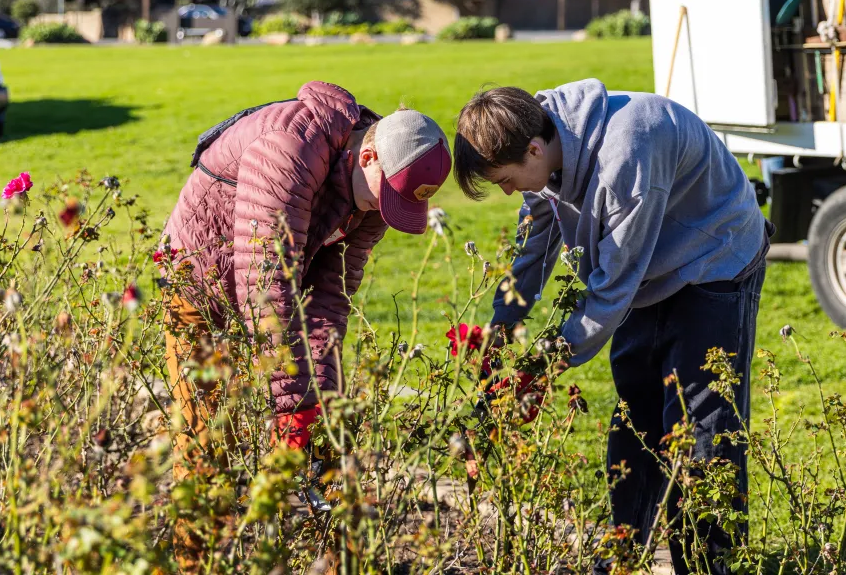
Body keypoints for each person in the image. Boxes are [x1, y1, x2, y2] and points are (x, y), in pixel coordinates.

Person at [453, 80, 771, 574]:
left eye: (506, 180)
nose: (509, 190)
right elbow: (536, 244)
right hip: (645, 266)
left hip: (714, 257)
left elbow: (613, 287)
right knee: (635, 417)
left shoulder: (628, 153)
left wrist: (545, 363)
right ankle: (621, 558)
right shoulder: (540, 138)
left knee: (701, 430)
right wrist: (500, 329)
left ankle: (709, 565)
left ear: (534, 149)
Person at [160, 81, 451, 567]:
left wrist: (317, 407)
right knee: (208, 434)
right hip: (199, 285)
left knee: (324, 440)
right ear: (368, 158)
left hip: (261, 288)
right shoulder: (288, 151)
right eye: (390, 197)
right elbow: (267, 289)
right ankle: (196, 563)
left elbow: (329, 299)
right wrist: (292, 404)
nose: (386, 213)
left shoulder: (377, 196)